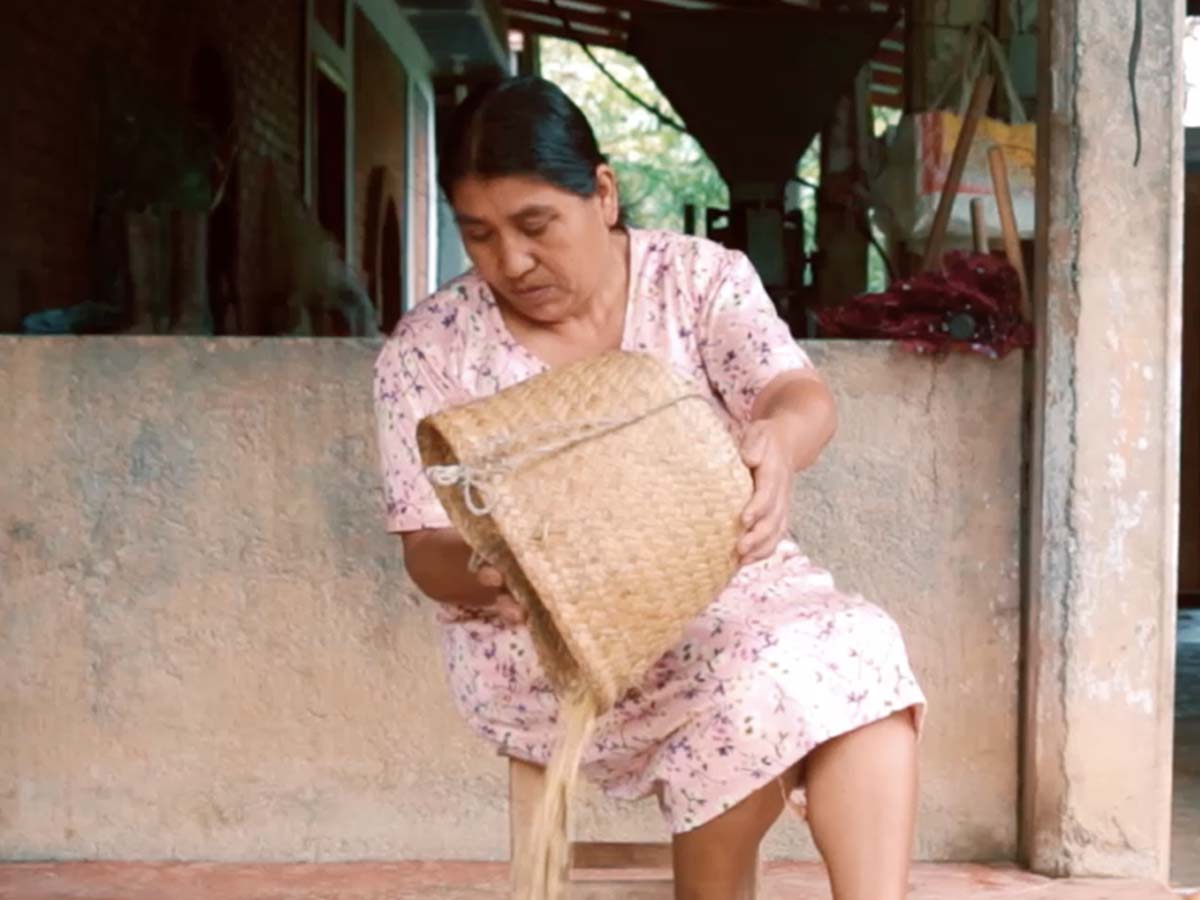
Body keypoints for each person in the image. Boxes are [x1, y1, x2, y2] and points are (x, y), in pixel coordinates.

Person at [373, 76, 925, 900]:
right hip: (551, 641)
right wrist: (506, 567)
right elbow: (425, 552)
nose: (511, 261)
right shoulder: (429, 350)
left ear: (602, 191)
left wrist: (774, 440)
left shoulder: (697, 280)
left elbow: (796, 394)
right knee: (754, 681)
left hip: (726, 584)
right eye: (479, 235)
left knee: (861, 647)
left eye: (534, 226)